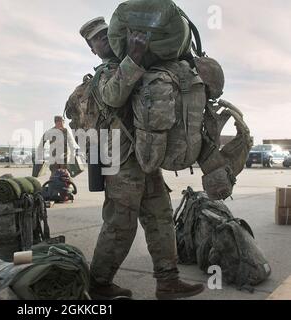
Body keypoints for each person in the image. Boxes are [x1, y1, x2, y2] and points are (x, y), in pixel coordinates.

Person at [79, 17, 205, 300]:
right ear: (92, 50)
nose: (103, 41)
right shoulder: (104, 75)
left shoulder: (141, 62)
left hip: (147, 155)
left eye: (105, 35)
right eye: (96, 40)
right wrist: (134, 57)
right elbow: (113, 97)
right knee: (120, 224)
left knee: (161, 218)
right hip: (121, 162)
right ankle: (99, 283)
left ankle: (168, 281)